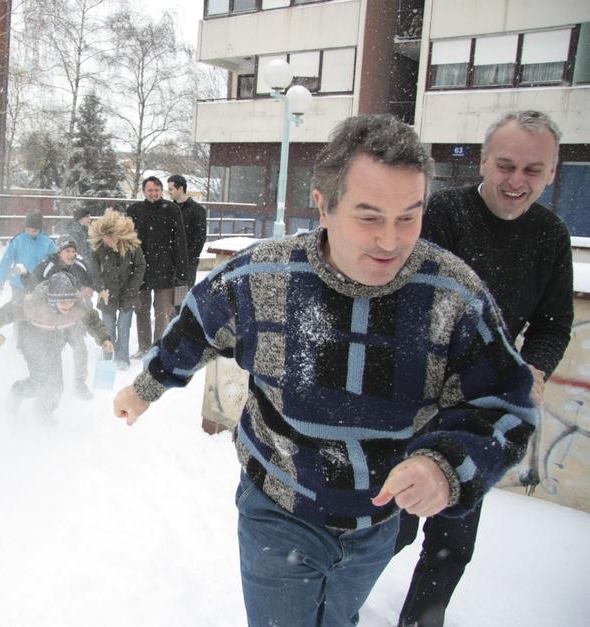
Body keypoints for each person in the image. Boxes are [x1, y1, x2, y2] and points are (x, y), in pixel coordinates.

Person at [112, 114, 537, 627]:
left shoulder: (452, 296)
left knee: (337, 619)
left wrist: (447, 467)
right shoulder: (263, 278)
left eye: (409, 216)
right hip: (279, 507)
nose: (391, 241)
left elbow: (506, 403)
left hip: (376, 521)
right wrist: (146, 387)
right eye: (369, 216)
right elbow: (195, 327)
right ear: (323, 204)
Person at [394, 110, 574, 627]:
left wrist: (535, 369)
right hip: (412, 403)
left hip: (481, 413)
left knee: (453, 543)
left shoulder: (550, 236)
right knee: (389, 527)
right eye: (506, 165)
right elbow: (404, 302)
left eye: (532, 171)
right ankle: (338, 609)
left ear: (552, 173)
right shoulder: (443, 213)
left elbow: (553, 322)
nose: (516, 181)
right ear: (483, 160)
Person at [0, 272, 113, 420]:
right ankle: (17, 393)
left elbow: (93, 321)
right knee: (40, 381)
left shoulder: (78, 305)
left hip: (54, 343)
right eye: (63, 302)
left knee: (56, 386)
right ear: (52, 300)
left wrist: (104, 339)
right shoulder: (34, 303)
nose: (67, 306)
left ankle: (43, 412)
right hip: (32, 342)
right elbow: (11, 309)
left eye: (70, 301)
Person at [24, 235, 98, 399]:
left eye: (74, 251)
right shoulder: (47, 267)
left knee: (80, 349)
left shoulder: (79, 265)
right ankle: (50, 389)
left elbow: (91, 281)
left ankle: (80, 384)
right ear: (59, 252)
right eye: (67, 251)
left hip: (73, 316)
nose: (71, 254)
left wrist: (88, 289)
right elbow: (32, 287)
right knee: (52, 355)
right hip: (52, 321)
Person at [125, 176, 188, 358]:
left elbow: (180, 241)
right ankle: (144, 346)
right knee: (141, 310)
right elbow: (126, 241)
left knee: (163, 312)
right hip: (140, 270)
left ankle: (158, 347)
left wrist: (181, 271)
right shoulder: (134, 210)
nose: (153, 193)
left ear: (161, 191)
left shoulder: (172, 209)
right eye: (150, 190)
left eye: (157, 190)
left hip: (165, 269)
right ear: (144, 191)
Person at [88, 208, 146, 370]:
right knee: (108, 329)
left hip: (128, 293)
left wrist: (132, 290)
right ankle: (107, 358)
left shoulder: (132, 247)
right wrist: (100, 289)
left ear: (118, 233)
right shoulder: (99, 248)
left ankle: (122, 359)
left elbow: (140, 267)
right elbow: (94, 269)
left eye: (110, 236)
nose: (107, 240)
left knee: (124, 327)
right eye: (104, 236)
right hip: (107, 293)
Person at [0, 209, 57, 299]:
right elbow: (6, 260)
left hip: (39, 285)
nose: (31, 233)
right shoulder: (18, 240)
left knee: (36, 311)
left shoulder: (48, 243)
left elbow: (56, 262)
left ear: (40, 228)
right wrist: (0, 280)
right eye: (28, 230)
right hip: (19, 284)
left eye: (34, 231)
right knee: (18, 310)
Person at [167, 174, 207, 289]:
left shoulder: (197, 210)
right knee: (166, 301)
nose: (169, 192)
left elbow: (200, 238)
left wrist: (188, 259)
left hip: (187, 265)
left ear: (180, 189)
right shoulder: (168, 208)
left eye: (171, 189)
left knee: (182, 300)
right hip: (168, 263)